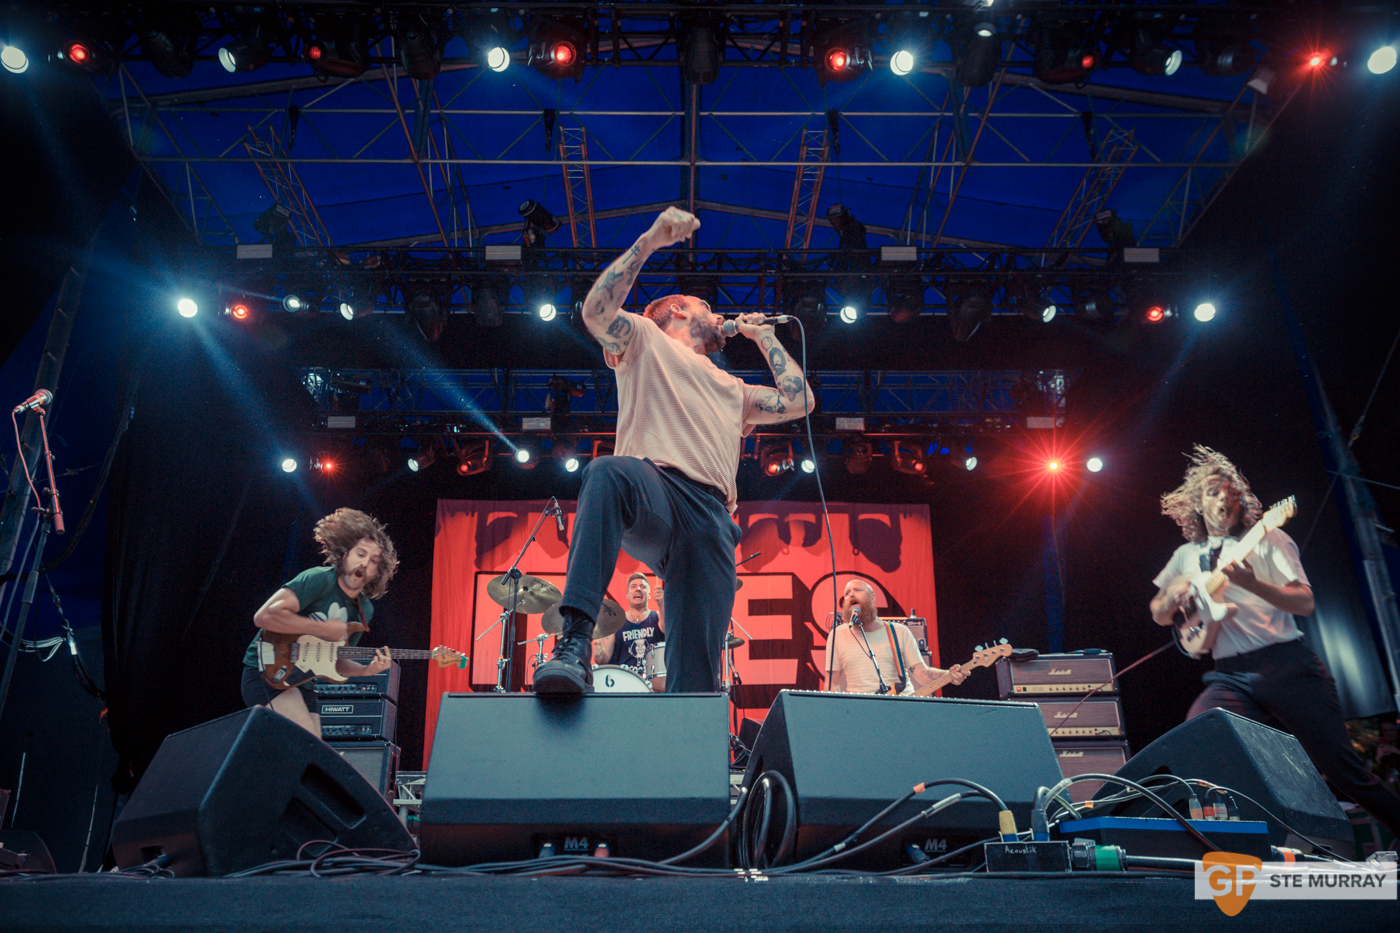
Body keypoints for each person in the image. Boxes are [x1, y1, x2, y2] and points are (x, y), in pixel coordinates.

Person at [534, 206, 814, 695]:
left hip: (711, 521)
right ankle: (575, 641)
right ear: (680, 311)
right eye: (704, 304)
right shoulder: (644, 338)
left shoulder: (734, 388)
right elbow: (596, 312)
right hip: (656, 490)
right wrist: (650, 241)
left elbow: (800, 400)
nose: (716, 314)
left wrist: (765, 337)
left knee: (696, 676)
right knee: (607, 473)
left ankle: (692, 756)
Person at [1149, 445, 1400, 839]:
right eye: (1212, 492)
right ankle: (1246, 846)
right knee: (1200, 743)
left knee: (1343, 771)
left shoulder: (1270, 537)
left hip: (1285, 666)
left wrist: (1251, 583)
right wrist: (1174, 595)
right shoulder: (1186, 555)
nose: (1222, 499)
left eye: (1230, 492)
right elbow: (1160, 613)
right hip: (1229, 674)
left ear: (1241, 499)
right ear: (1198, 502)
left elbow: (1305, 601)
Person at [241, 508, 398, 737]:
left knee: (315, 755)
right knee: (307, 742)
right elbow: (264, 617)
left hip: (303, 682)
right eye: (360, 553)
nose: (364, 563)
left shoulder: (364, 610)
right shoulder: (318, 579)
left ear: (377, 571)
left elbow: (336, 662)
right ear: (345, 554)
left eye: (373, 560)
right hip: (267, 670)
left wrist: (367, 670)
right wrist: (323, 629)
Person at [824, 579, 968, 695]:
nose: (851, 594)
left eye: (857, 590)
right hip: (861, 711)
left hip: (901, 708)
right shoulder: (837, 635)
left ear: (873, 597)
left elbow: (921, 673)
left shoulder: (899, 632)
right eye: (847, 593)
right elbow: (832, 683)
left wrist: (948, 675)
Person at [593, 572, 666, 683]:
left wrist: (662, 604)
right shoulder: (615, 623)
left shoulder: (658, 616)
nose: (638, 589)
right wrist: (598, 648)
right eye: (633, 586)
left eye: (643, 586)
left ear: (650, 595)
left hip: (653, 685)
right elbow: (602, 660)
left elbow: (667, 629)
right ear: (627, 595)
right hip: (623, 683)